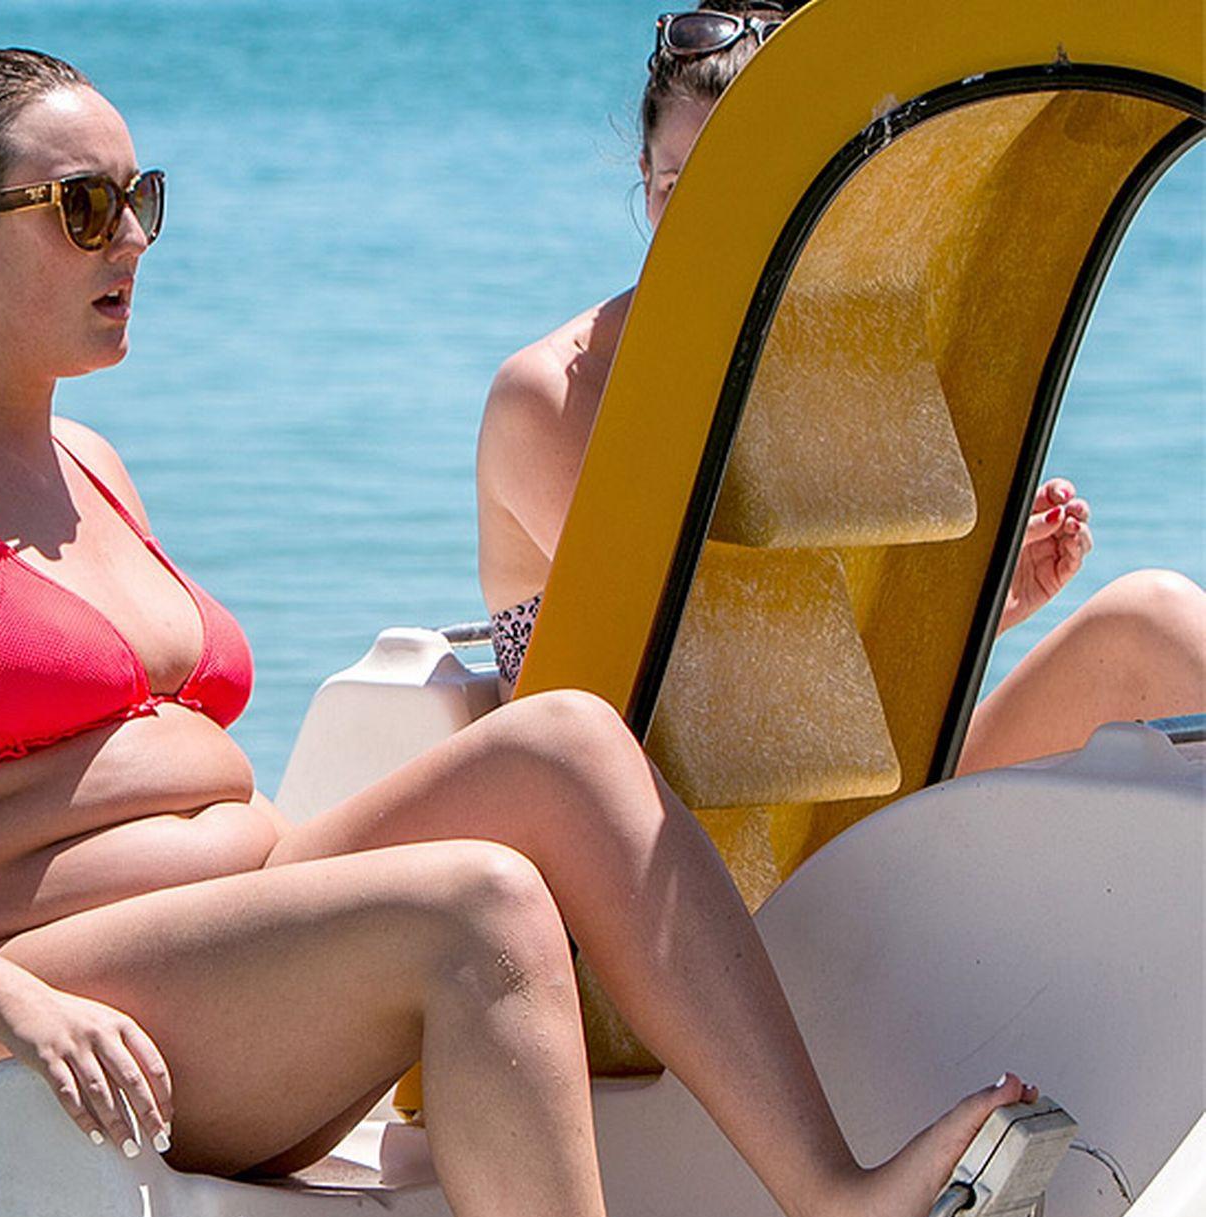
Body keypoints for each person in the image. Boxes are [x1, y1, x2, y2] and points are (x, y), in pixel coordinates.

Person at [0, 37, 1030, 1217]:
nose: (133, 242)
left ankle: (846, 1216)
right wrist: (4, 993)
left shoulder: (89, 462)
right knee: (475, 903)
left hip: (216, 966)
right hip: (6, 1018)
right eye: (84, 209)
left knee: (566, 744)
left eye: (140, 200)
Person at [476, 1, 1206, 766]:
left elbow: (812, 687)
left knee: (1150, 618)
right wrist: (937, 616)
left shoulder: (833, 368)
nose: (702, 219)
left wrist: (977, 607)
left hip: (833, 802)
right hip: (637, 815)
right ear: (644, 179)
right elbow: (713, 677)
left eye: (740, 186)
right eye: (677, 183)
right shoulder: (555, 393)